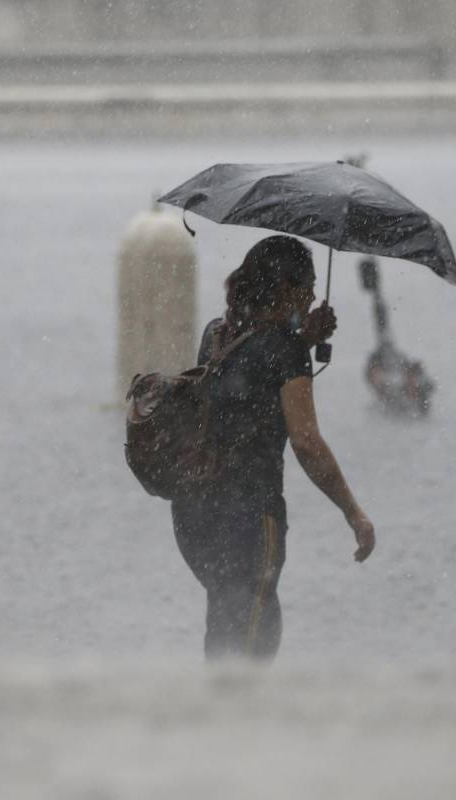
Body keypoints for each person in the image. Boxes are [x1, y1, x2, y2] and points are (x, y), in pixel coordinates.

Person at [171, 234, 375, 662]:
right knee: (254, 635)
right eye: (309, 285)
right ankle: (238, 722)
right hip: (246, 516)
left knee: (227, 621)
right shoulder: (284, 352)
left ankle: (214, 718)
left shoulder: (217, 332)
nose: (315, 295)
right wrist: (352, 511)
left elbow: (243, 382)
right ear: (287, 289)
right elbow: (306, 441)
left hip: (195, 514)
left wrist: (300, 338)